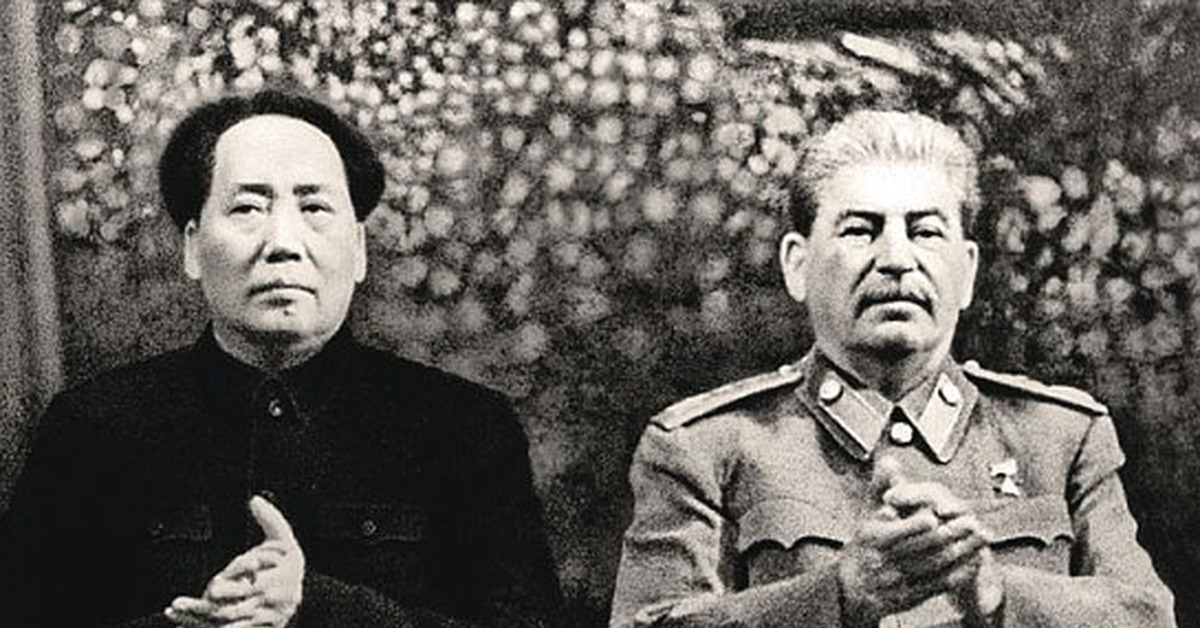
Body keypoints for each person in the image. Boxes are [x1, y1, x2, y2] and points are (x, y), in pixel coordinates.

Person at [0, 89, 562, 628]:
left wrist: (318, 609)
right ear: (193, 246)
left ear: (359, 249)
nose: (284, 243)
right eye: (248, 207)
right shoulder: (91, 430)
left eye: (314, 207)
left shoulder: (465, 431)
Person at [609, 110, 1176, 627]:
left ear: (967, 271)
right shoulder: (705, 449)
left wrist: (996, 592)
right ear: (797, 265)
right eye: (860, 230)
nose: (898, 259)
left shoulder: (1060, 438)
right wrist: (838, 597)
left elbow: (1149, 618)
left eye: (925, 232)